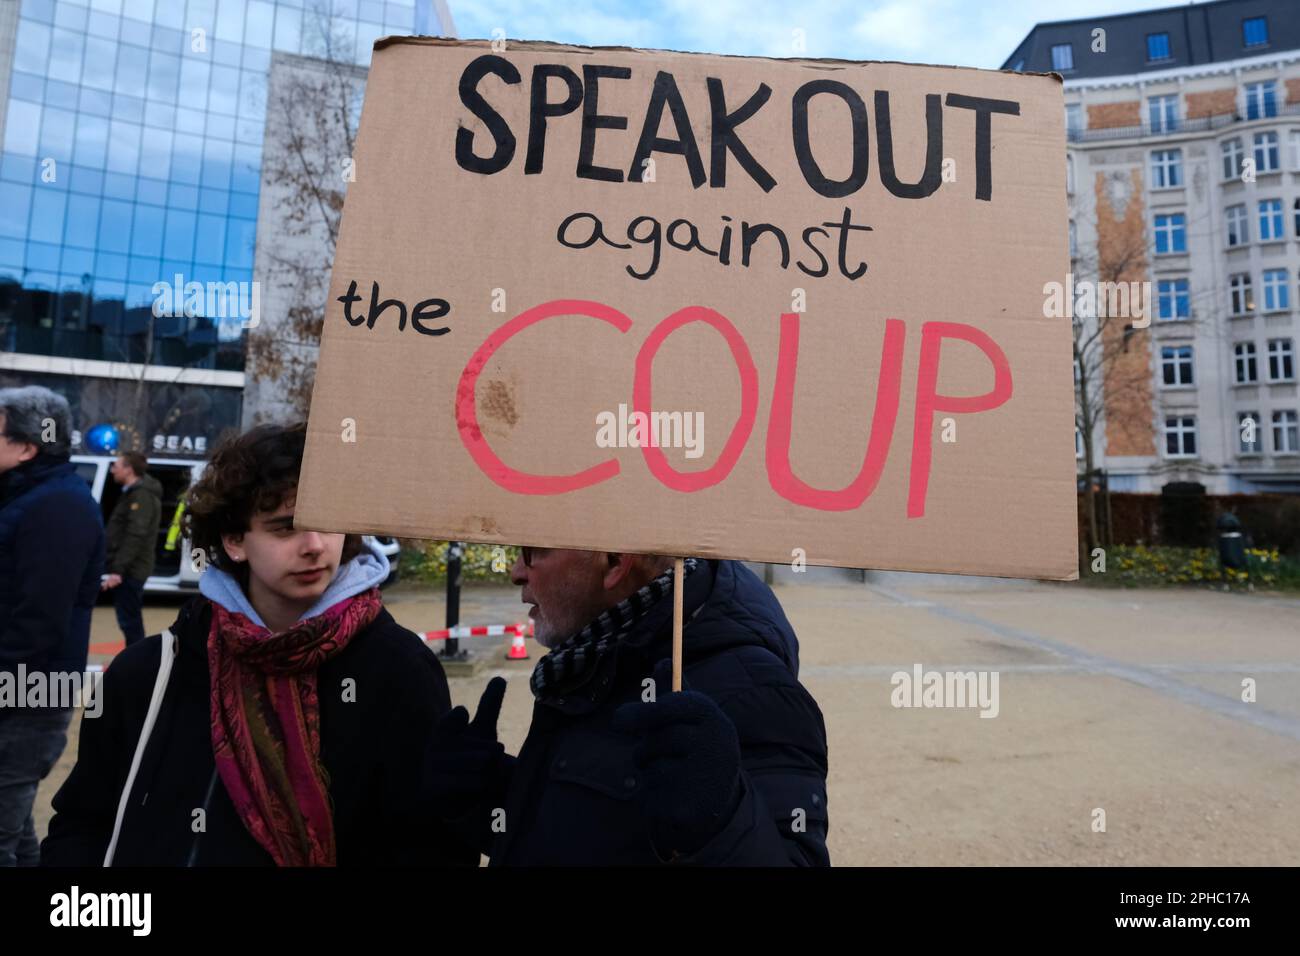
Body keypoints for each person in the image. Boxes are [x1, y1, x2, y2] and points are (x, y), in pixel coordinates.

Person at [42, 423, 476, 866]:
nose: (313, 546)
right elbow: (83, 823)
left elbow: (429, 843)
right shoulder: (150, 673)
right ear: (233, 540)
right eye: (285, 528)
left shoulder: (400, 670)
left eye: (327, 522)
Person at [426, 549, 830, 865]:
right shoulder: (591, 653)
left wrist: (722, 824)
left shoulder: (753, 688)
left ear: (615, 562)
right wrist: (496, 798)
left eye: (534, 551)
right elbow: (598, 830)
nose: (516, 570)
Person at [0, 386, 104, 866]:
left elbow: (37, 621)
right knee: (15, 827)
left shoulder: (56, 506)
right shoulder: (29, 495)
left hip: (29, 696)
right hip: (20, 690)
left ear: (26, 446)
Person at [101, 450, 162, 648]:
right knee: (129, 618)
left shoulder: (141, 496)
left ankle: (137, 663)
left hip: (131, 570)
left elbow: (135, 535)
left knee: (130, 620)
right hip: (129, 567)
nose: (112, 471)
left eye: (116, 466)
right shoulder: (133, 493)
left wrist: (118, 571)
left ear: (128, 469)